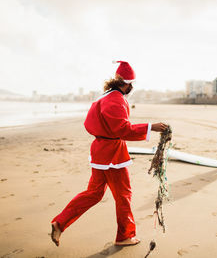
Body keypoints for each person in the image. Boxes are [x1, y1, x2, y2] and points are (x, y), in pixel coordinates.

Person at [50, 61, 167, 247]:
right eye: (131, 84)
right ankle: (125, 236)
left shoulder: (104, 97)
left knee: (94, 193)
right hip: (113, 156)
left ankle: (60, 222)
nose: (131, 87)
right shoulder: (116, 99)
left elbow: (96, 126)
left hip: (100, 152)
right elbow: (122, 129)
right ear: (127, 83)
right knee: (123, 195)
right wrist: (151, 127)